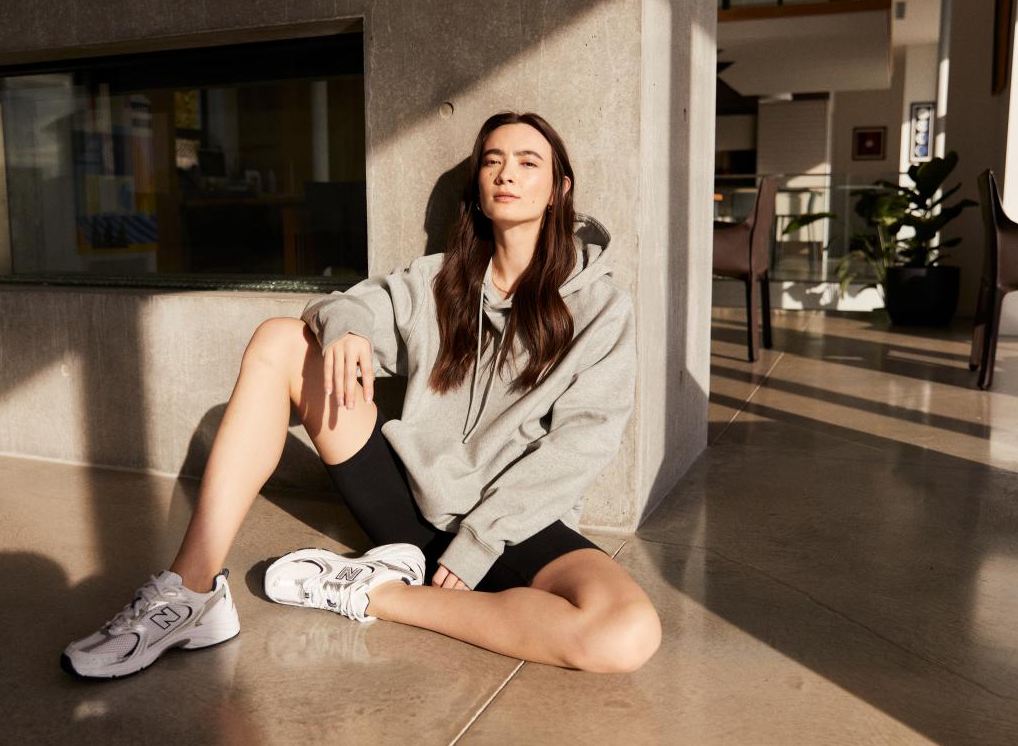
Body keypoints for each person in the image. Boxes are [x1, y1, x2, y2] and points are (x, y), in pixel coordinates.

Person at [62, 111, 661, 679]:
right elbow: (342, 304)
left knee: (625, 632)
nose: (507, 173)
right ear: (478, 186)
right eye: (492, 160)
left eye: (528, 162)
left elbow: (586, 440)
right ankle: (192, 593)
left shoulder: (600, 306)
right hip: (405, 501)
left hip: (511, 521)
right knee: (280, 340)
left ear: (559, 189)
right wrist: (348, 327)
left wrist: (480, 541)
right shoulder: (439, 279)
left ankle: (371, 591)